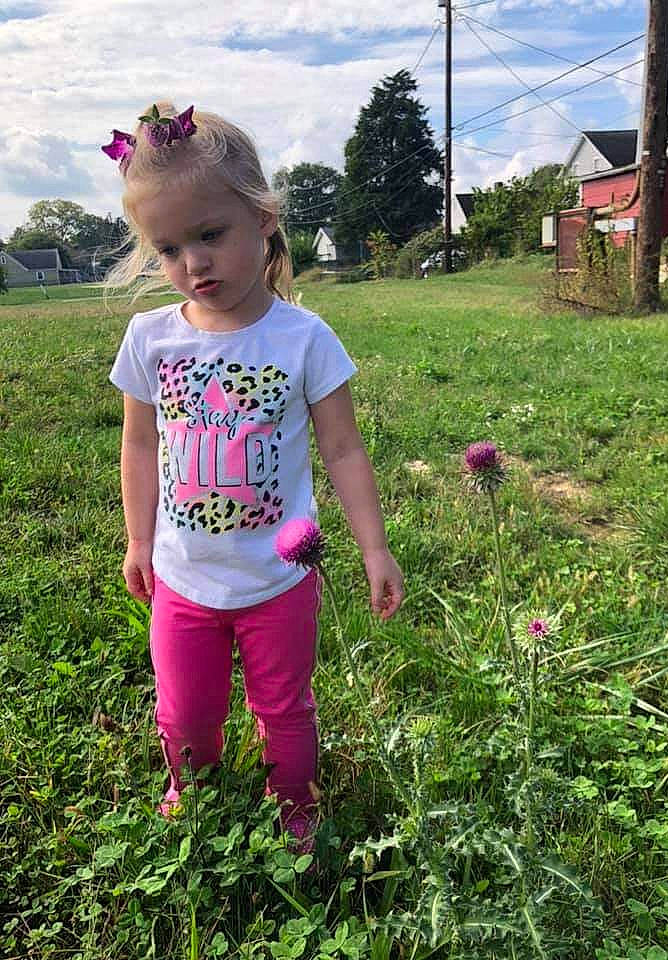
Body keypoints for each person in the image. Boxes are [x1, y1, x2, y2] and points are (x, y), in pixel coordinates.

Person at [103, 101, 404, 853]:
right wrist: (140, 539)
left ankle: (294, 801)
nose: (193, 263)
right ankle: (190, 785)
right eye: (169, 247)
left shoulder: (303, 337)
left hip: (279, 581)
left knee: (286, 708)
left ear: (264, 219)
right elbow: (140, 447)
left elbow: (343, 452)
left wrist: (374, 549)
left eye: (210, 235)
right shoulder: (152, 339)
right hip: (182, 575)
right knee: (184, 713)